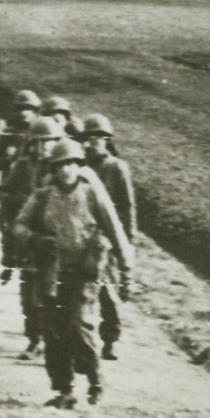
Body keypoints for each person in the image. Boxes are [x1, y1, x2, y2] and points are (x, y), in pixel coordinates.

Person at [13, 139, 133, 408]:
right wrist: (35, 239)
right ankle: (63, 390)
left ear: (79, 166)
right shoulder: (43, 196)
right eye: (60, 165)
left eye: (71, 164)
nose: (66, 170)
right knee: (53, 331)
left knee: (77, 325)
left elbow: (115, 230)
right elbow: (18, 226)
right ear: (53, 169)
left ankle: (95, 379)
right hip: (52, 272)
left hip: (86, 271)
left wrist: (127, 270)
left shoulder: (92, 194)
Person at [0, 116, 64, 357]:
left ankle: (49, 342)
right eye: (40, 142)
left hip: (50, 240)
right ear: (32, 143)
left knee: (48, 295)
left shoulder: (61, 169)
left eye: (50, 141)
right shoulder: (23, 166)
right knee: (28, 298)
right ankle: (34, 340)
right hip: (26, 240)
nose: (44, 147)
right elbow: (2, 189)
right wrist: (18, 202)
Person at [81, 114, 136, 361]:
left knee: (108, 294)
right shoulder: (79, 166)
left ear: (106, 140)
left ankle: (110, 340)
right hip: (82, 237)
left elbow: (127, 208)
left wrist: (127, 240)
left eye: (98, 137)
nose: (92, 142)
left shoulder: (116, 168)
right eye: (88, 137)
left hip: (107, 239)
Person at [0, 90, 40, 177]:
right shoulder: (8, 133)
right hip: (10, 183)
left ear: (34, 110)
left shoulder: (41, 132)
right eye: (20, 108)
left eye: (27, 108)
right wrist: (8, 159)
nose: (23, 112)